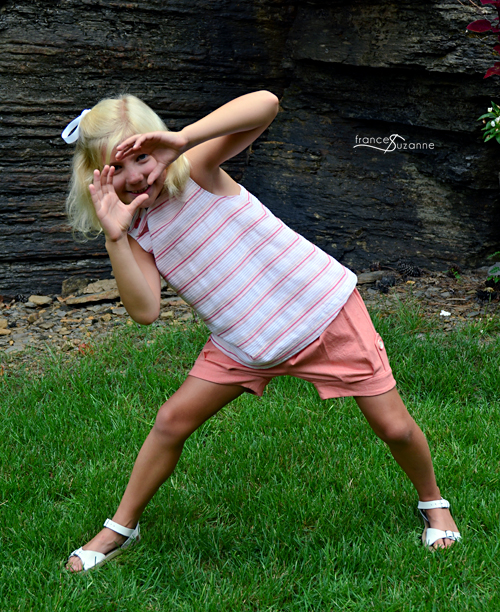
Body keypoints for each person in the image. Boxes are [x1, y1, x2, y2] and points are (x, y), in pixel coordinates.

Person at [63, 91, 460, 572]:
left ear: (157, 144)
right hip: (244, 343)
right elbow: (145, 311)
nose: (135, 176)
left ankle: (433, 500)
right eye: (116, 171)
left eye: (141, 157)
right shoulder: (135, 231)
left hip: (322, 312)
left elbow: (266, 104)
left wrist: (183, 140)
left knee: (394, 427)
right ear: (96, 181)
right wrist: (114, 237)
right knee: (171, 422)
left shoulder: (198, 170)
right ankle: (121, 526)